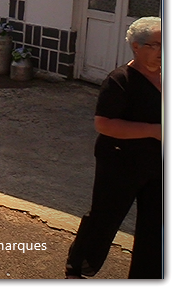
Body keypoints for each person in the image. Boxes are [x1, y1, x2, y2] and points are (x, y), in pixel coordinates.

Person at [65, 16, 162, 279]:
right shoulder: (121, 80)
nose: (163, 52)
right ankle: (79, 265)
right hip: (120, 161)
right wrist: (154, 131)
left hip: (160, 164)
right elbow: (104, 124)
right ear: (137, 47)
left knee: (157, 224)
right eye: (156, 45)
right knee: (105, 217)